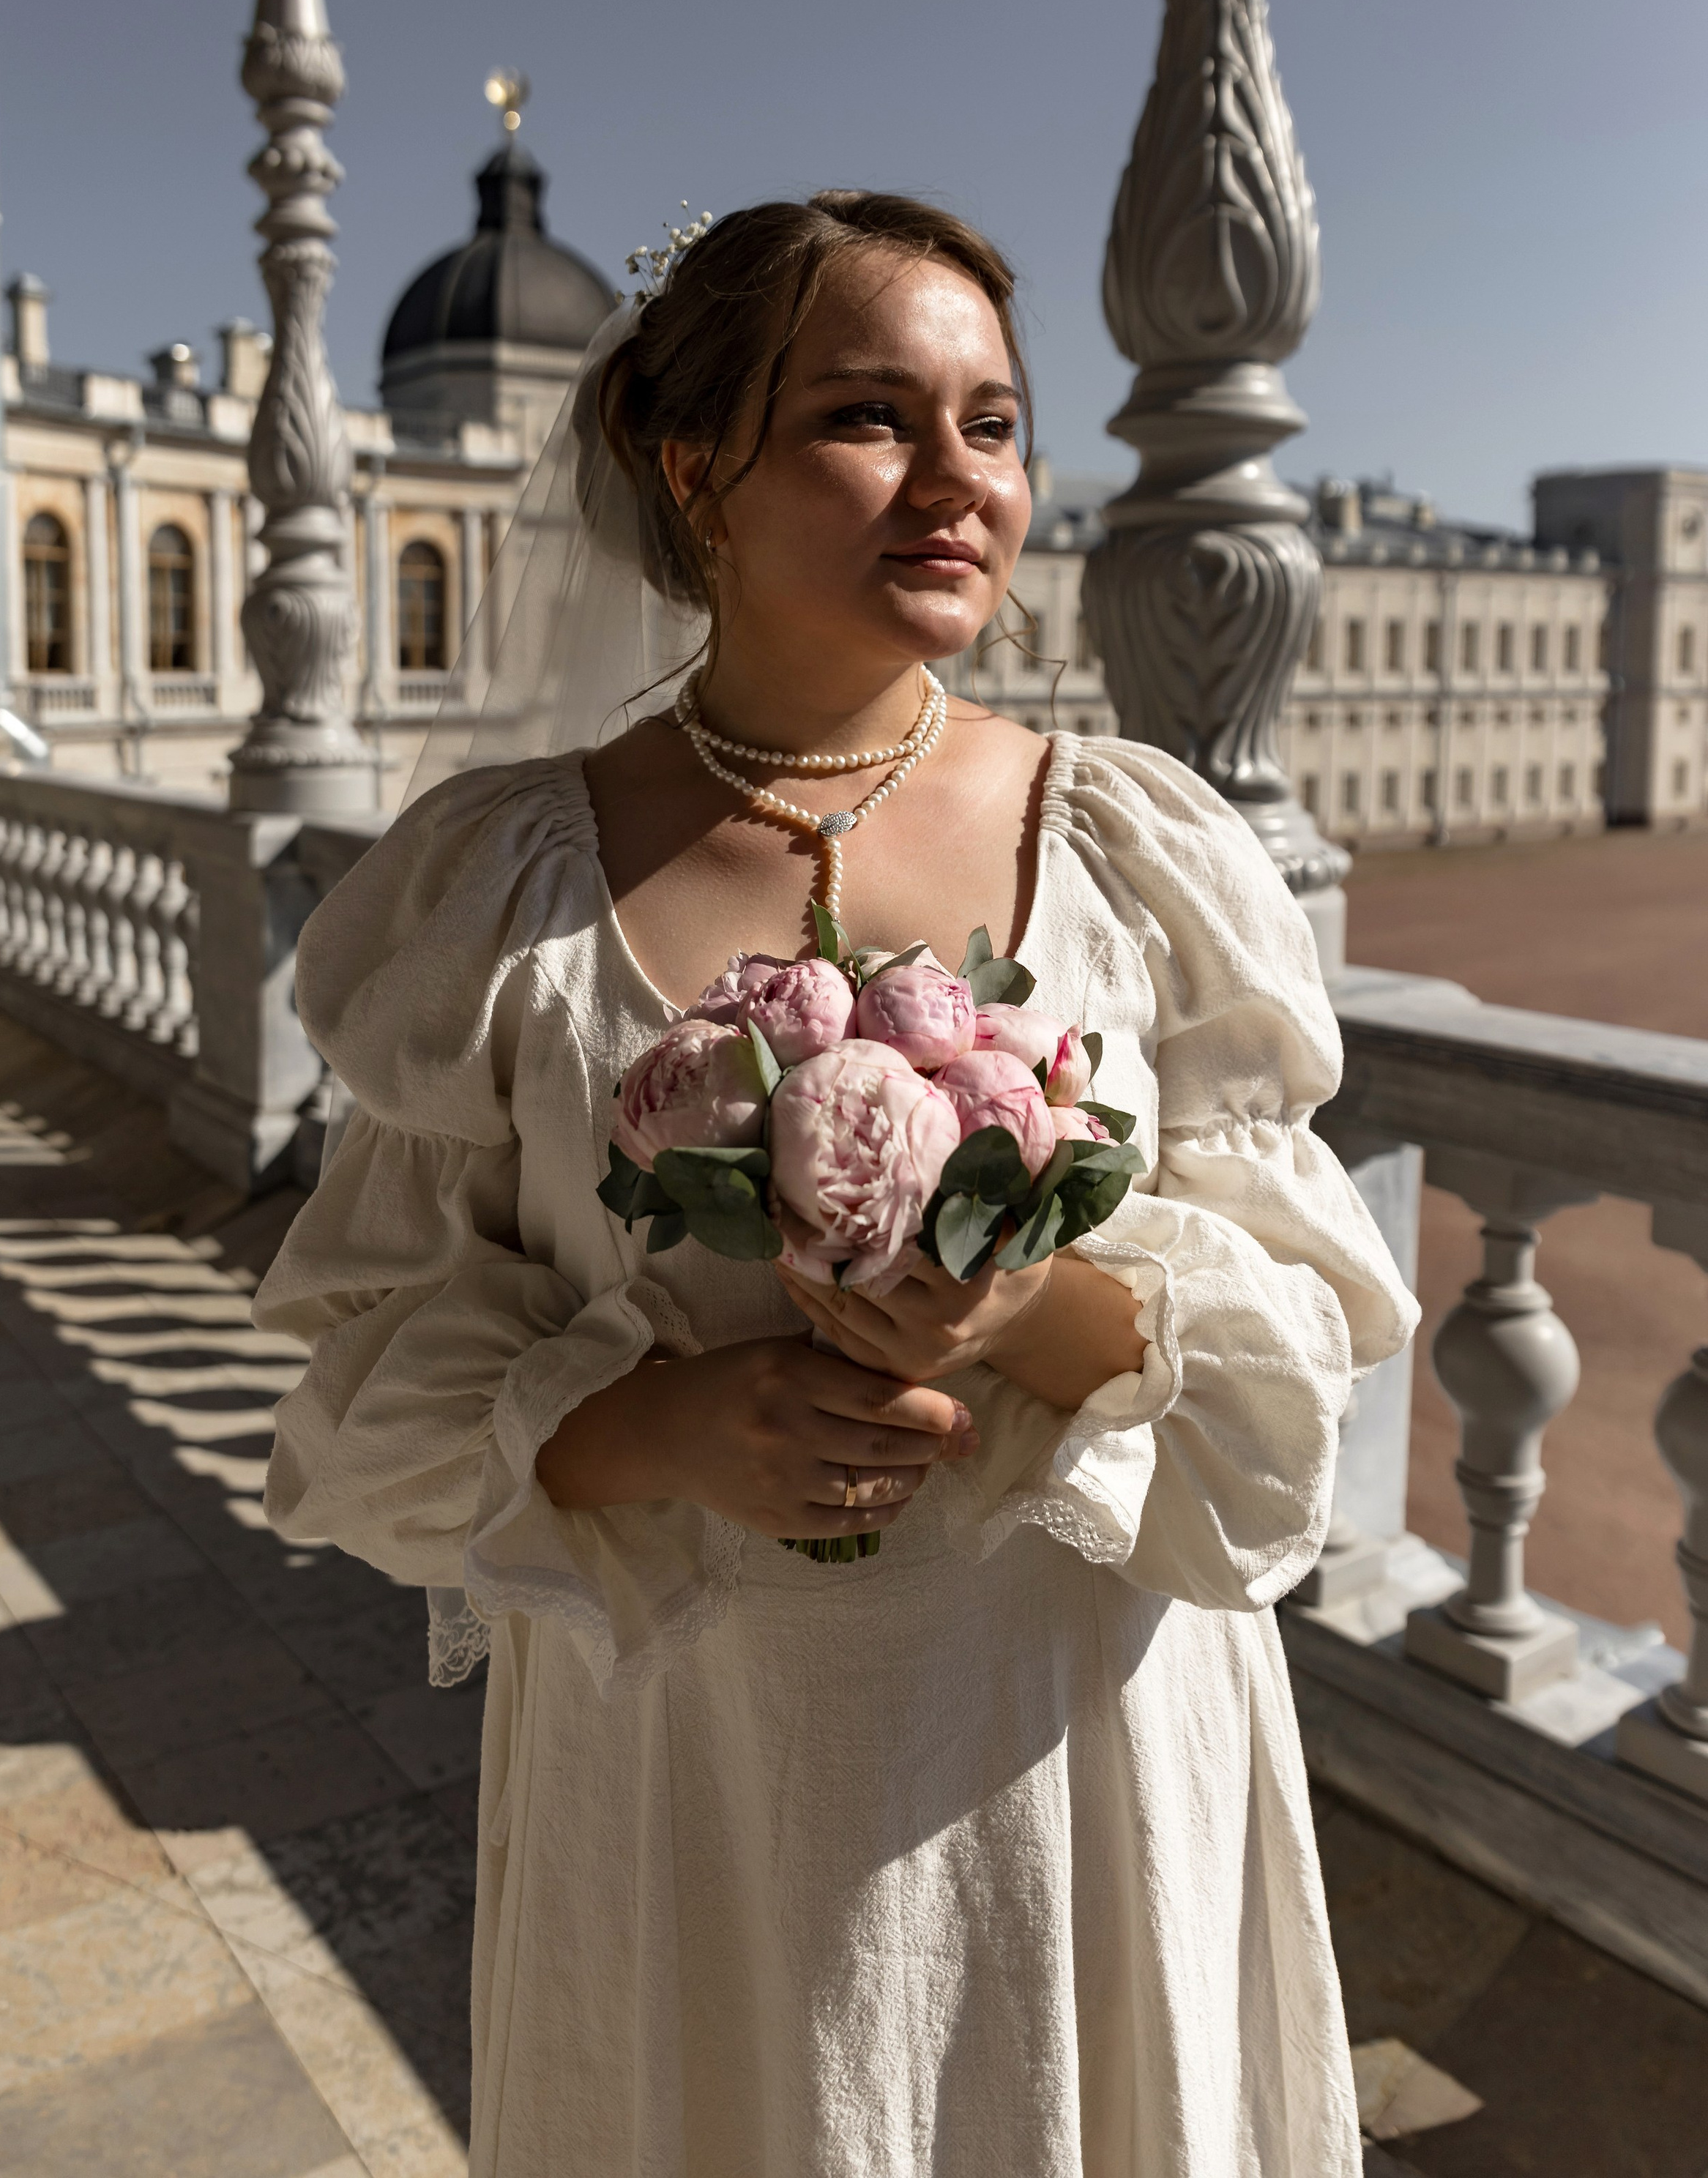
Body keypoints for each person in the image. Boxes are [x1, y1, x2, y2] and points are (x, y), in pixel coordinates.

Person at [254, 190, 1418, 2178]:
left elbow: (1303, 1326)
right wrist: (657, 1426)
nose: (953, 479)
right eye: (869, 418)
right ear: (692, 464)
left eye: (992, 421)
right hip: (701, 1795)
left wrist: (1028, 1304)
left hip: (1084, 1754)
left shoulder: (1134, 847)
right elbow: (362, 1387)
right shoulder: (510, 893)